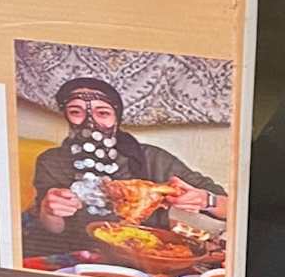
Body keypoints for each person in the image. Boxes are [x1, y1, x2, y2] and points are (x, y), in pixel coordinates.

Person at [26, 77, 229, 255]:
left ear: (117, 117)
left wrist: (206, 200)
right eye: (75, 111)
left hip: (146, 255)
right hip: (77, 252)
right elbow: (52, 231)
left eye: (102, 113)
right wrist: (49, 211)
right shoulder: (51, 161)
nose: (90, 122)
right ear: (66, 115)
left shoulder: (152, 158)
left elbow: (230, 208)